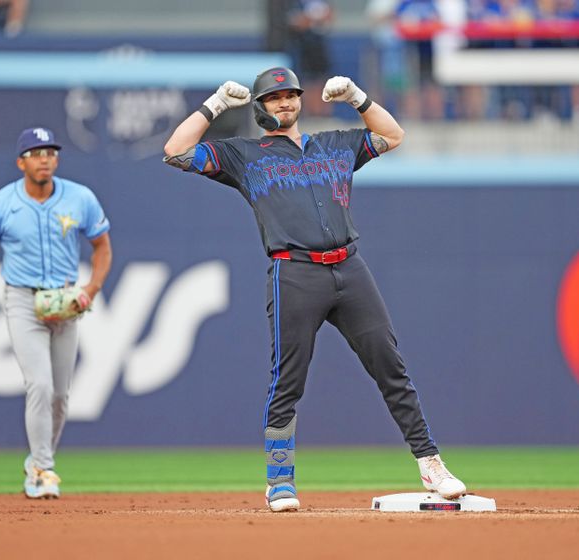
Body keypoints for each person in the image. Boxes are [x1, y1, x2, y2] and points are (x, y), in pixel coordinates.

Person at [162, 67, 466, 512]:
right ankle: (279, 482)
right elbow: (175, 151)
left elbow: (393, 134)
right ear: (261, 108)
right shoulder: (245, 155)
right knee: (288, 379)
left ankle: (430, 462)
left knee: (390, 367)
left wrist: (360, 97)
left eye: (290, 95)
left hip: (349, 266)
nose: (284, 103)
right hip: (294, 272)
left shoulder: (335, 144)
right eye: (274, 98)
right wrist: (215, 105)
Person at [0, 127, 112, 499]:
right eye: (36, 152)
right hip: (23, 301)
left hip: (65, 300)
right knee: (40, 385)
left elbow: (102, 248)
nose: (44, 158)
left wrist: (90, 290)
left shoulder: (80, 198)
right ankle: (43, 469)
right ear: (21, 162)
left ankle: (38, 461)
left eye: (50, 152)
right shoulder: (0, 204)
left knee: (60, 396)